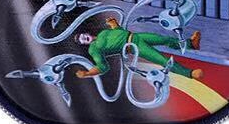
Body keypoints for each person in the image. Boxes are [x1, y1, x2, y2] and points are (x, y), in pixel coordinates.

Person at [74, 16, 203, 81]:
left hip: (137, 36)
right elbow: (103, 66)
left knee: (164, 39)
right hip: (134, 46)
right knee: (161, 59)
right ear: (84, 44)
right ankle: (189, 73)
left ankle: (191, 44)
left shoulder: (102, 33)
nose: (84, 38)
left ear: (86, 33)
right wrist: (88, 74)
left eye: (83, 36)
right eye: (82, 40)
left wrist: (114, 24)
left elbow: (119, 32)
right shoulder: (93, 49)